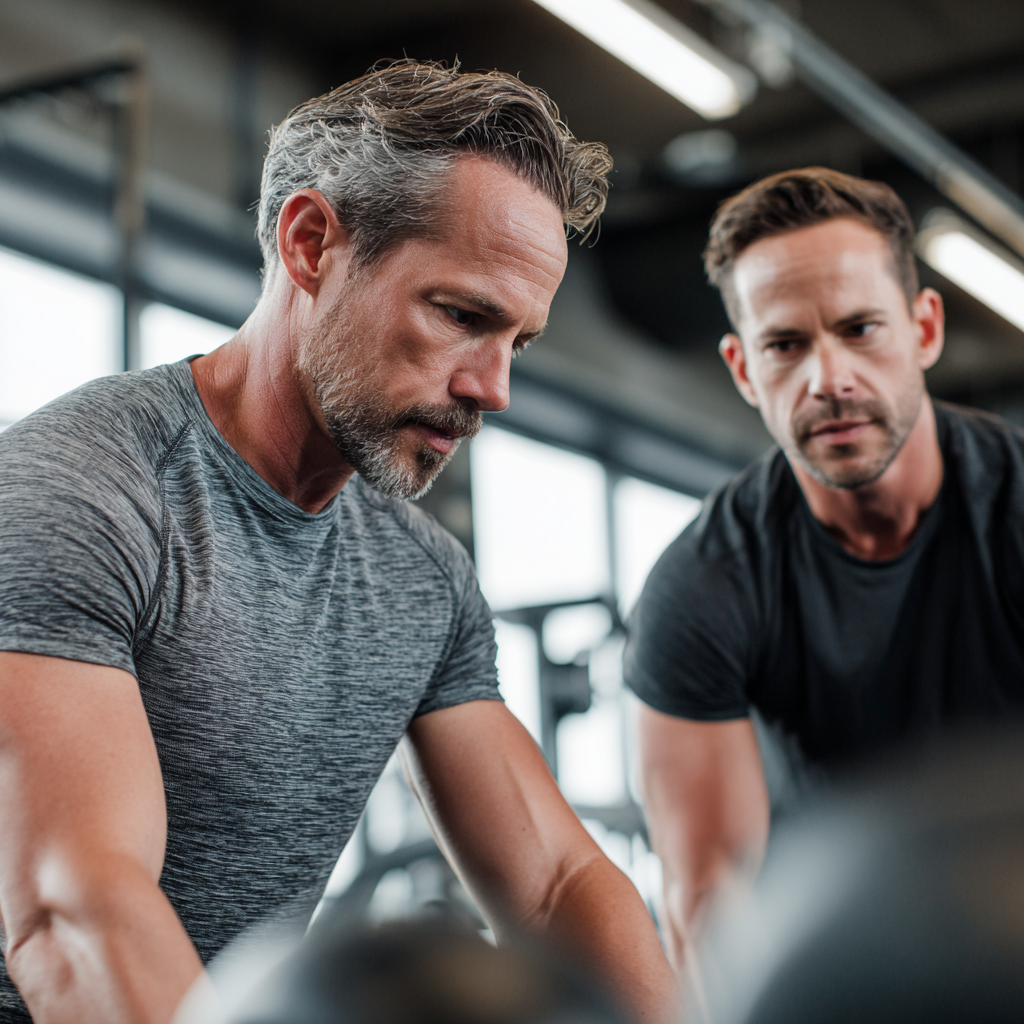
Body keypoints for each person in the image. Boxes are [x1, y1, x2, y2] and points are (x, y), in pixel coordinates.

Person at [0, 61, 675, 1024]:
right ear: (311, 244)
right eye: (462, 315)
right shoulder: (82, 492)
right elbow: (74, 915)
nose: (493, 389)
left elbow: (556, 886)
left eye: (516, 342)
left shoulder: (420, 575)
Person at [624, 166, 1024, 974]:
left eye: (859, 328)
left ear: (925, 329)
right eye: (786, 345)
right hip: (837, 963)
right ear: (744, 370)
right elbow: (710, 904)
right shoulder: (704, 583)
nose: (829, 380)